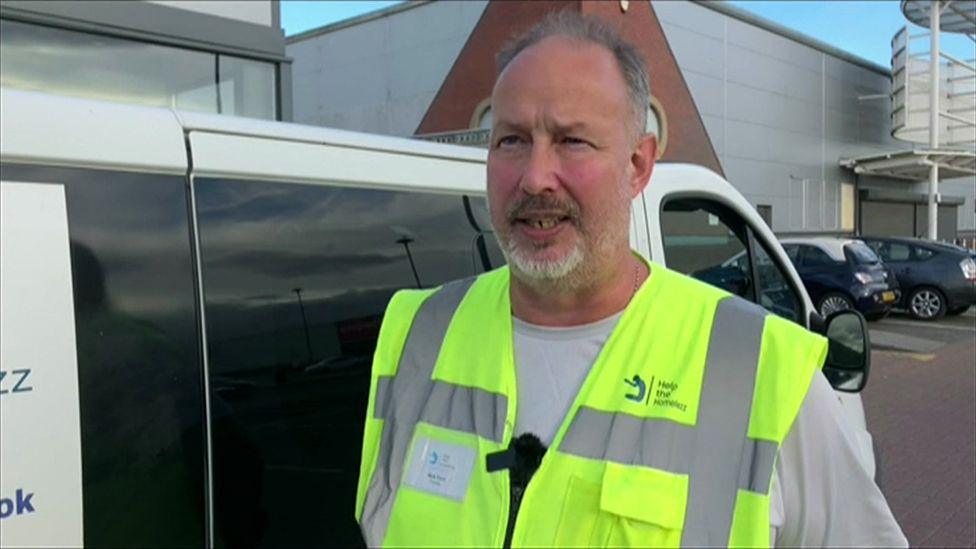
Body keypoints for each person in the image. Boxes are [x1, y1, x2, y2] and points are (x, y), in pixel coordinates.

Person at [355, 12, 906, 548]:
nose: (534, 177)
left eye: (572, 141)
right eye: (511, 141)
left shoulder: (759, 370)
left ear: (639, 165)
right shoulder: (416, 335)